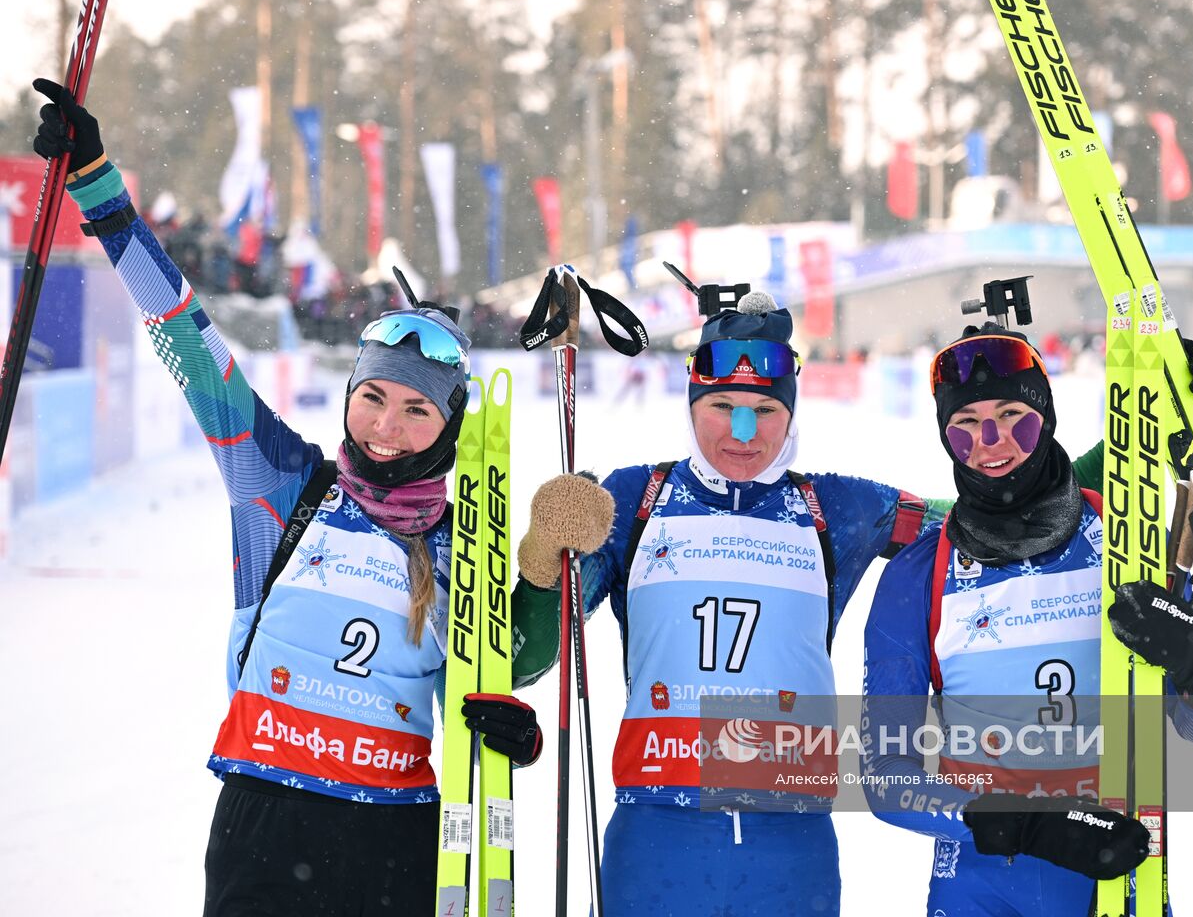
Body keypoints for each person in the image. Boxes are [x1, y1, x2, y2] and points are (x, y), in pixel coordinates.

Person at [32, 78, 543, 915]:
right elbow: (191, 347)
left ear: (449, 431)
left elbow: (495, 669)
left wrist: (507, 734)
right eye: (374, 397)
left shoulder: (467, 543)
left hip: (399, 837)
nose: (387, 426)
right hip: (265, 823)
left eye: (418, 411)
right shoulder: (278, 485)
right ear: (349, 395)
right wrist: (99, 188)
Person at [506, 284, 1124, 916]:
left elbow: (994, 502)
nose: (742, 431)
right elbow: (524, 662)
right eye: (721, 405)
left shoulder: (838, 508)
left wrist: (1127, 443)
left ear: (792, 411)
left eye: (766, 410)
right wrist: (540, 561)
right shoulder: (633, 498)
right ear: (692, 403)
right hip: (658, 834)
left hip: (791, 844)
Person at [860, 323, 1193, 916]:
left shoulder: (1125, 539)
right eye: (964, 423)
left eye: (1012, 413)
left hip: (1117, 885)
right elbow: (886, 778)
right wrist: (1030, 826)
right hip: (980, 891)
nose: (990, 440)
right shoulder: (918, 576)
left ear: (1046, 412)